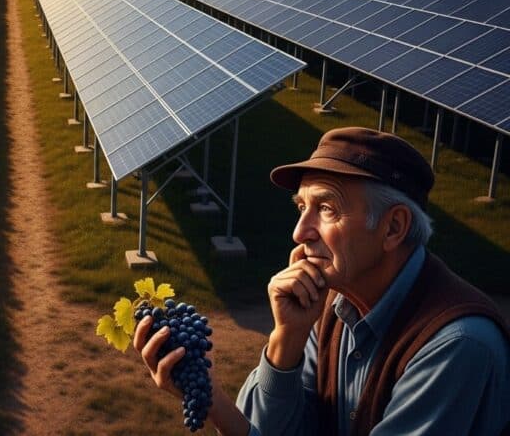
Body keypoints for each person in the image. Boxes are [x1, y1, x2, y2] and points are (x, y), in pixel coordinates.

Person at [135, 127, 510, 435]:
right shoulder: (334, 304)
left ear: (393, 227)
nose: (300, 232)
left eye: (327, 208)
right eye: (301, 207)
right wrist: (286, 339)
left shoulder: (456, 347)